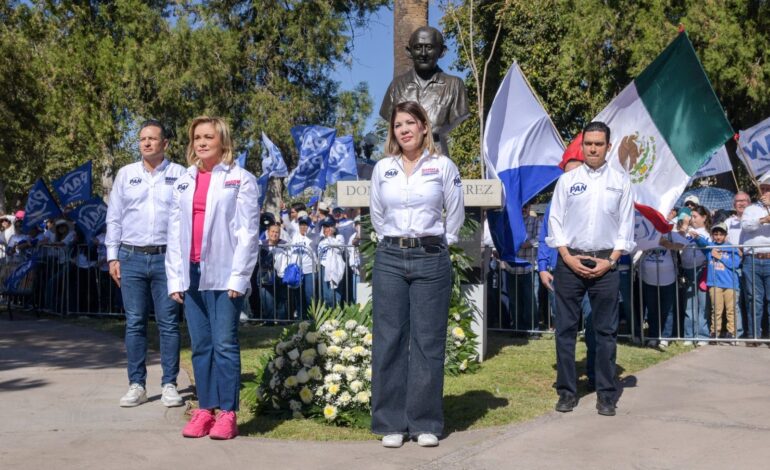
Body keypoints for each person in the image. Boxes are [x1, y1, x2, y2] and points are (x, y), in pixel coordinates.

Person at [370, 100, 464, 448]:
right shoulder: (383, 168)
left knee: (428, 340)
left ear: (424, 127)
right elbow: (377, 215)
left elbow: (454, 212)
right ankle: (390, 423)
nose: (404, 130)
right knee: (389, 339)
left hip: (430, 258)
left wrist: (440, 242)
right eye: (398, 125)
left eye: (411, 123)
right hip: (390, 257)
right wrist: (394, 241)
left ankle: (424, 422)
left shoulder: (442, 166)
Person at [166, 116, 260, 440]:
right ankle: (205, 409)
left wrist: (240, 276)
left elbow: (249, 233)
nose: (201, 142)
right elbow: (174, 231)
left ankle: (228, 413)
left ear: (222, 140)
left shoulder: (240, 179)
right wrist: (175, 278)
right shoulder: (183, 180)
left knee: (224, 344)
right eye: (197, 137)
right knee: (201, 346)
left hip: (223, 273)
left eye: (208, 137)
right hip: (191, 274)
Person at [546, 121, 634, 417]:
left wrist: (611, 260)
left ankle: (606, 394)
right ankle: (567, 392)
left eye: (598, 144)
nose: (593, 148)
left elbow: (625, 227)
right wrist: (567, 257)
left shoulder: (621, 181)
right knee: (566, 330)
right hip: (569, 263)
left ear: (608, 147)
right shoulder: (568, 181)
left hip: (606, 264)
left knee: (606, 331)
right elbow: (555, 221)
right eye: (588, 143)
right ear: (582, 146)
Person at [106, 119, 186, 408]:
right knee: (135, 323)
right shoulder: (126, 174)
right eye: (142, 139)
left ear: (165, 143)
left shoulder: (180, 174)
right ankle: (137, 384)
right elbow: (114, 217)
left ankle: (169, 384)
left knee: (168, 324)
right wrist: (112, 256)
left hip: (167, 259)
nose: (147, 143)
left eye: (153, 139)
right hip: (131, 257)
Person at [379, 26, 469, 157]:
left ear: (442, 52)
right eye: (417, 47)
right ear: (409, 52)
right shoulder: (396, 86)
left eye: (429, 47)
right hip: (402, 160)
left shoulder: (454, 85)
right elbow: (388, 116)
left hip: (437, 156)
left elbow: (460, 115)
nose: (423, 53)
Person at [690, 222, 742, 342]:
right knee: (716, 310)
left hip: (730, 284)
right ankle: (715, 332)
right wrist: (697, 237)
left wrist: (720, 257)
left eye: (721, 234)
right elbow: (702, 242)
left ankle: (731, 333)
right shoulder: (710, 247)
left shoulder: (731, 247)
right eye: (715, 234)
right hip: (714, 284)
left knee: (731, 310)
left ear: (726, 235)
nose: (718, 236)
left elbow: (735, 264)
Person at [740, 173, 770, 342]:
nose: (765, 192)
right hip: (752, 258)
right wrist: (764, 219)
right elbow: (746, 226)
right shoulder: (751, 209)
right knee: (753, 299)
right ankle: (754, 335)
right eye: (763, 189)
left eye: (768, 189)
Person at [675, 204, 711, 346]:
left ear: (704, 217)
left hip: (701, 270)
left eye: (695, 217)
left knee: (702, 304)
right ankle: (689, 335)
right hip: (688, 269)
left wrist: (696, 237)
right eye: (692, 217)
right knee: (689, 304)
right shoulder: (688, 231)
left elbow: (707, 246)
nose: (693, 220)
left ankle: (702, 335)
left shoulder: (706, 233)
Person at [726, 191, 749, 338]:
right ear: (734, 205)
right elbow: (723, 239)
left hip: (750, 261)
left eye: (744, 201)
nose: (741, 203)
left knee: (752, 298)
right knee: (736, 301)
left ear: (749, 203)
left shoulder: (756, 219)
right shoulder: (729, 222)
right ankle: (738, 332)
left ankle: (754, 331)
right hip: (733, 265)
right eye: (738, 201)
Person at [258, 222, 289, 322]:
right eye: (272, 232)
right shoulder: (261, 244)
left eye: (277, 232)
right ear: (268, 232)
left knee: (281, 298)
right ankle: (269, 321)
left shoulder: (285, 244)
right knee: (267, 299)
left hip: (280, 276)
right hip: (265, 276)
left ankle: (282, 321)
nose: (274, 234)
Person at [289, 215, 318, 319]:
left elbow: (314, 229)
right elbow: (287, 224)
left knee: (309, 295)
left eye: (306, 224)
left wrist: (313, 223)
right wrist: (284, 211)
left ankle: (311, 318)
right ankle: (301, 317)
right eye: (301, 224)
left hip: (309, 271)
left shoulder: (313, 236)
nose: (303, 227)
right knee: (298, 296)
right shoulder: (294, 235)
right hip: (297, 271)